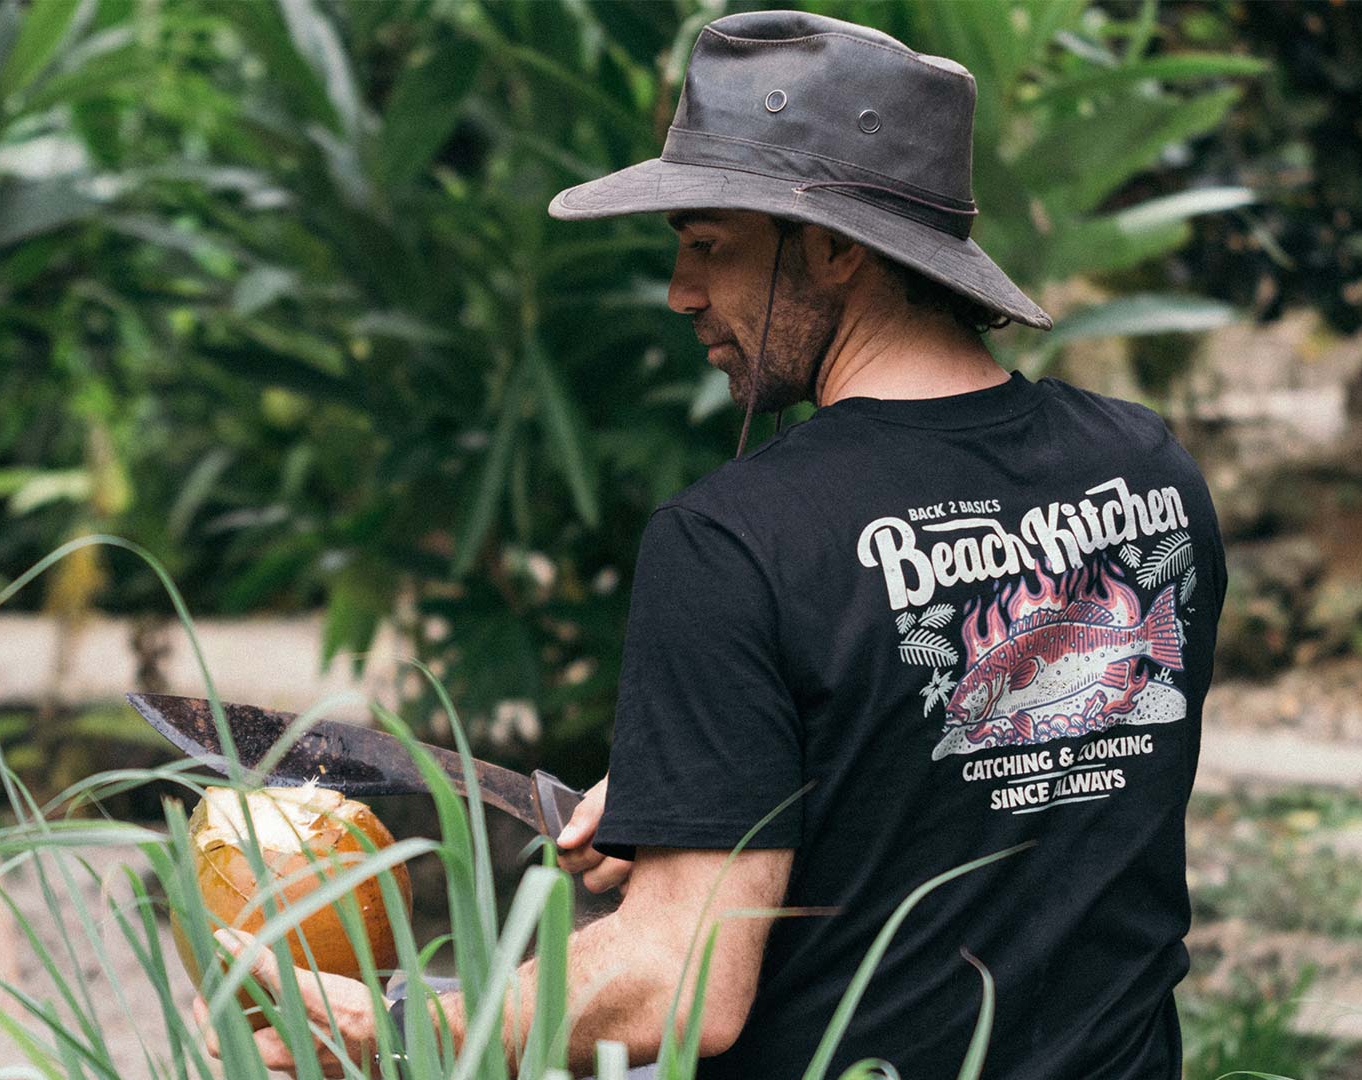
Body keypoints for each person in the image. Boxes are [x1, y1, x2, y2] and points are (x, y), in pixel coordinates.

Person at [196, 10, 1225, 1078]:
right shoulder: (1147, 473)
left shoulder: (733, 542)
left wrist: (404, 1031)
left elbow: (679, 986)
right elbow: (1025, 784)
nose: (683, 293)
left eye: (707, 246)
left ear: (833, 249)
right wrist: (712, 781)